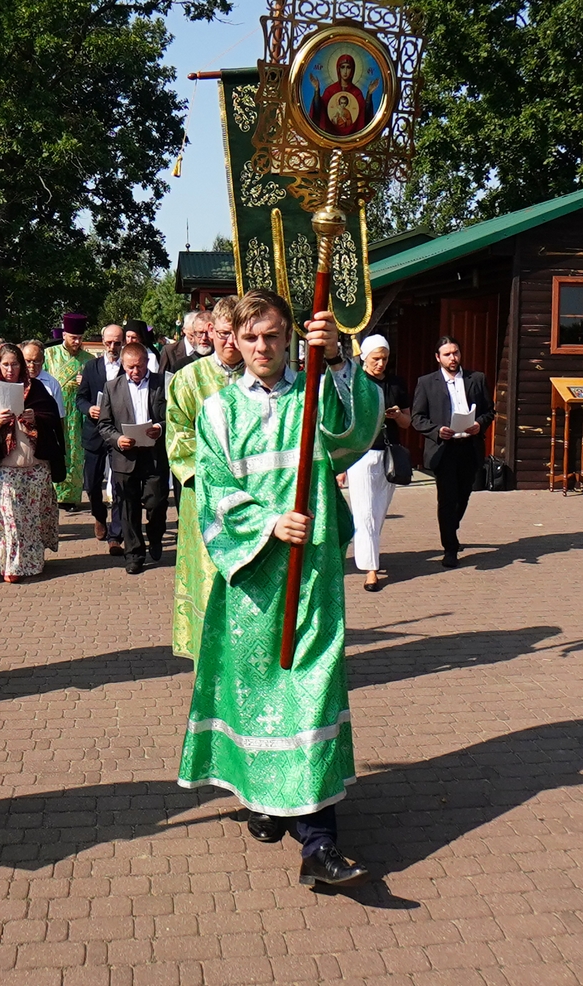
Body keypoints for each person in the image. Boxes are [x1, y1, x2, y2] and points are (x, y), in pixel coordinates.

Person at [178, 290, 381, 889]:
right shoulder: (217, 414)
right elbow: (212, 495)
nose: (263, 347)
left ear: (291, 335)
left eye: (272, 335)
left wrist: (339, 359)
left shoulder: (316, 391)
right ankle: (264, 797)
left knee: (310, 691)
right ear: (233, 344)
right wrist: (267, 523)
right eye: (251, 338)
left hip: (312, 576)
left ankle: (319, 843)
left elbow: (356, 434)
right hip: (253, 582)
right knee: (257, 696)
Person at [164, 296, 245, 657]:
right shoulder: (187, 379)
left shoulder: (260, 376)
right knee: (210, 577)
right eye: (224, 333)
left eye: (238, 334)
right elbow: (179, 438)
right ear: (210, 331)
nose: (231, 342)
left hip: (254, 494)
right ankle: (208, 658)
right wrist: (218, 473)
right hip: (206, 498)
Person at [0, 342, 66, 581]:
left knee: (32, 517)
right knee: (11, 520)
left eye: (14, 364)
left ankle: (33, 562)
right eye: (5, 364)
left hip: (35, 466)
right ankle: (12, 566)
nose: (10, 369)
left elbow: (52, 418)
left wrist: (34, 417)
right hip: (7, 467)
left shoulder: (36, 388)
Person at [411, 335, 494, 568]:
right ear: (438, 358)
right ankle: (450, 548)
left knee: (464, 495)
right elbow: (417, 418)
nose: (453, 358)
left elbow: (489, 410)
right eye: (447, 354)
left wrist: (479, 424)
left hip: (469, 446)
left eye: (455, 353)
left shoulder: (476, 379)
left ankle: (450, 526)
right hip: (444, 449)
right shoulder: (426, 383)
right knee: (447, 499)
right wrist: (437, 430)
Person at [348, 334, 413, 592]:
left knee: (377, 512)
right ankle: (371, 569)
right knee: (364, 513)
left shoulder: (396, 384)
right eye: (376, 358)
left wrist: (397, 416)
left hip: (388, 455)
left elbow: (408, 422)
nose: (381, 363)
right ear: (364, 357)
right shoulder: (356, 382)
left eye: (385, 358)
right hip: (361, 454)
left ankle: (370, 553)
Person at [101, 338, 168, 574]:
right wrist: (118, 439)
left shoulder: (162, 383)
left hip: (154, 455)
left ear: (147, 362)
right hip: (125, 457)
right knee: (128, 508)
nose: (135, 371)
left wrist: (160, 427)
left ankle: (156, 534)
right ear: (123, 364)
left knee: (157, 503)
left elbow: (173, 415)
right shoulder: (112, 387)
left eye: (139, 366)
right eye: (130, 367)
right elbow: (104, 424)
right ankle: (134, 555)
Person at [76, 323, 125, 549]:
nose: (113, 346)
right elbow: (81, 398)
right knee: (92, 483)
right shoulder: (91, 367)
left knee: (119, 483)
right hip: (94, 432)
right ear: (103, 341)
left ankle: (116, 533)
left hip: (119, 433)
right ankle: (99, 516)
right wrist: (89, 409)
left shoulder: (128, 367)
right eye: (109, 342)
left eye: (117, 342)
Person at [43, 315, 91, 509]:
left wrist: (85, 383)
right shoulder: (49, 355)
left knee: (76, 456)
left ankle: (71, 497)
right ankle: (54, 494)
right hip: (55, 413)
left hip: (78, 415)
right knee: (57, 452)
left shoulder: (89, 359)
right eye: (73, 337)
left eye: (80, 337)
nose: (77, 342)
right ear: (64, 335)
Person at [160, 310, 212, 375]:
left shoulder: (215, 356)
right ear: (184, 330)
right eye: (192, 335)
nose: (203, 338)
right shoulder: (170, 352)